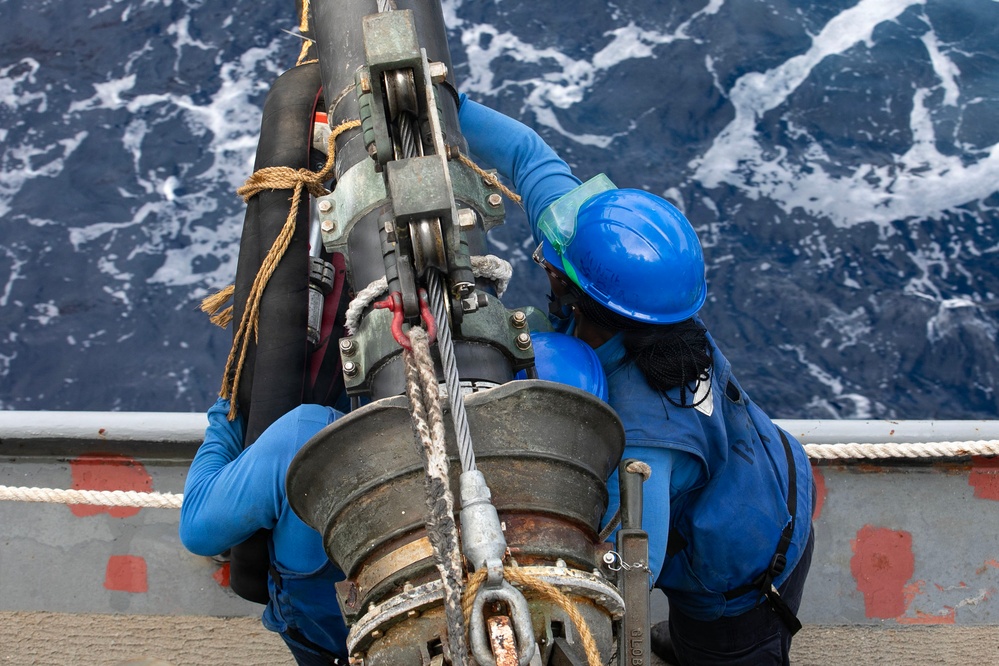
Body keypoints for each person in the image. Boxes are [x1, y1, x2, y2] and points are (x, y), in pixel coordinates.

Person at [458, 96, 814, 666]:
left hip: (749, 565)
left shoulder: (644, 444)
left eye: (550, 263)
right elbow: (526, 154)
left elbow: (628, 580)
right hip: (770, 466)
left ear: (576, 292)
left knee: (719, 646)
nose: (544, 260)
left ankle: (710, 648)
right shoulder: (628, 277)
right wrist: (443, 104)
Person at [178, 331, 610, 666]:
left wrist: (225, 414)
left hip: (327, 639)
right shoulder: (582, 472)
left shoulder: (302, 436)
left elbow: (198, 529)